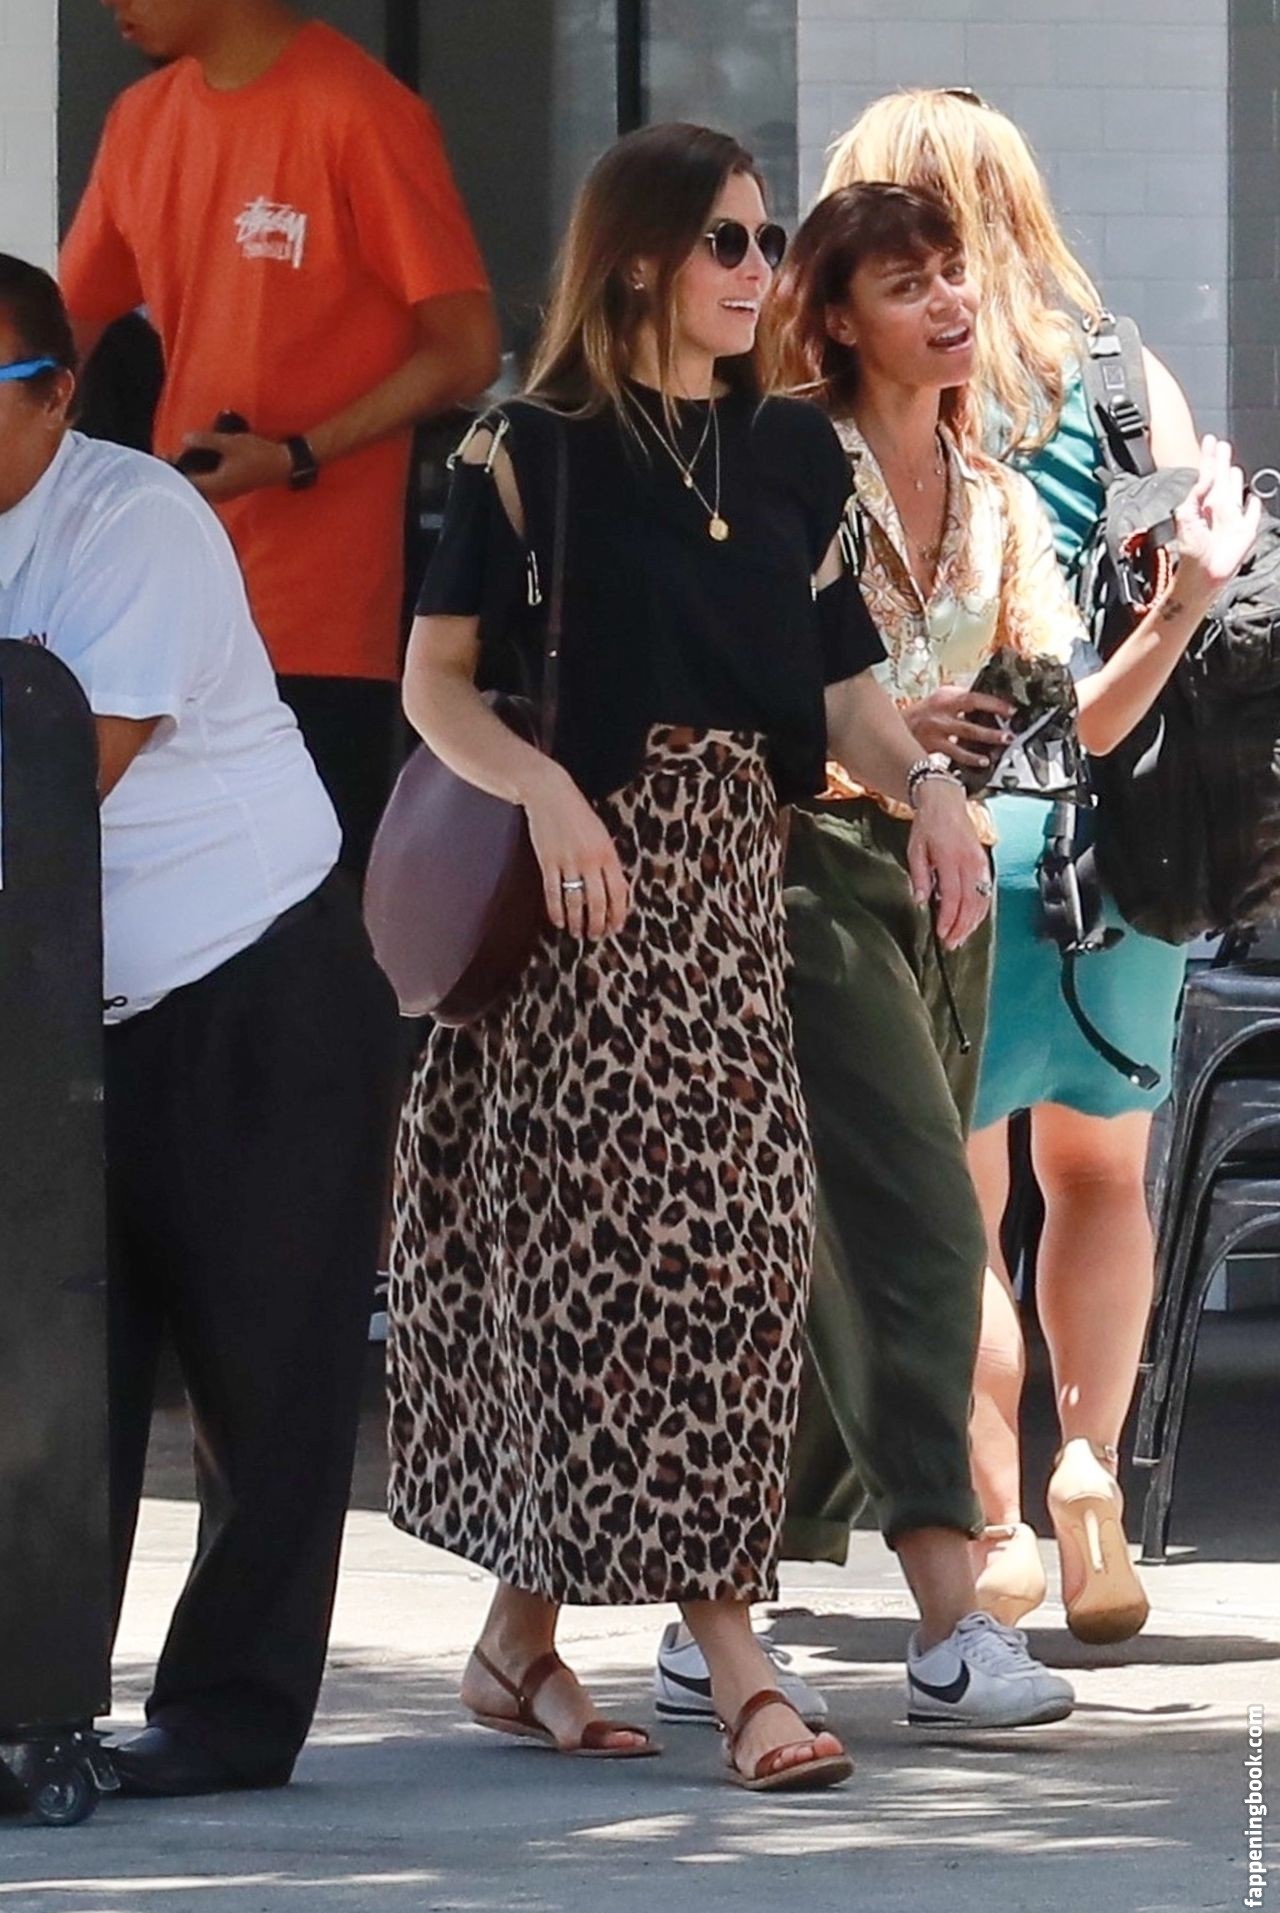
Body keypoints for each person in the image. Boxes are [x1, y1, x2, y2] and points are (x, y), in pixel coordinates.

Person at [388, 123, 990, 1792]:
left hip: (735, 902)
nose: (757, 269)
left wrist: (931, 790)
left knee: (726, 1273)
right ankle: (741, 1674)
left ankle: (518, 1641)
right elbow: (435, 684)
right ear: (644, 256)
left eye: (766, 239)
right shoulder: (533, 448)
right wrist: (547, 796)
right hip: (580, 917)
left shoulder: (788, 452)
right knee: (651, 1280)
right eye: (730, 239)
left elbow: (844, 688)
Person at [823, 89, 1261, 1643]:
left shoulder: (876, 376)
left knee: (960, 1195)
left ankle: (996, 1521)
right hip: (1117, 827)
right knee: (1101, 1177)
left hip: (946, 813)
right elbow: (1188, 571)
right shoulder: (1120, 372)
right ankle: (1092, 1471)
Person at [658, 181, 1082, 1737]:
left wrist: (1164, 620)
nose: (951, 303)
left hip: (949, 884)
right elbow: (740, 680)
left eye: (954, 274)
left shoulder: (998, 493)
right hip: (807, 867)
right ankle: (952, 1622)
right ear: (833, 318)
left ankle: (720, 1595)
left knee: (833, 1247)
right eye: (908, 284)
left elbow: (1054, 708)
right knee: (923, 1228)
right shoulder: (784, 458)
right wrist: (902, 746)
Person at [0, 254, 401, 1796]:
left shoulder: (134, 522)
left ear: (52, 398)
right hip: (62, 1016)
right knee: (55, 1383)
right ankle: (32, 1704)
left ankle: (227, 1720)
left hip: (254, 983)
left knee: (264, 1378)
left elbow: (58, 786)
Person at [61, 0, 499, 879]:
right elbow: (57, 335)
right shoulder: (141, 120)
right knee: (155, 910)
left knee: (307, 916)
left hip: (316, 622)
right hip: (164, 609)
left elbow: (466, 351)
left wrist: (297, 453)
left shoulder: (361, 112)